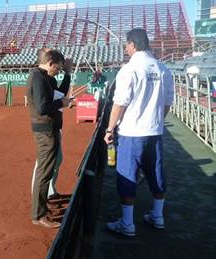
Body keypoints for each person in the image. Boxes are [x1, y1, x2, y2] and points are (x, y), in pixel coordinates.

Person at [104, 28, 174, 237]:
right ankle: (158, 216)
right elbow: (167, 104)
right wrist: (155, 121)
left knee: (127, 175)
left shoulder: (129, 69)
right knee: (156, 173)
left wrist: (109, 129)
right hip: (154, 132)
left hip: (132, 133)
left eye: (126, 44)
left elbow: (120, 104)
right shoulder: (163, 69)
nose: (125, 48)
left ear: (133, 44)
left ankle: (127, 224)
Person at [27, 49, 74, 228]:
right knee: (44, 172)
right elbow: (41, 108)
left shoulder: (47, 77)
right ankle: (38, 215)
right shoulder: (38, 77)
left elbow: (60, 94)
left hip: (51, 128)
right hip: (45, 130)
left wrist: (68, 74)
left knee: (49, 168)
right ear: (50, 63)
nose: (59, 70)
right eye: (59, 68)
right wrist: (60, 104)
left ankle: (41, 208)